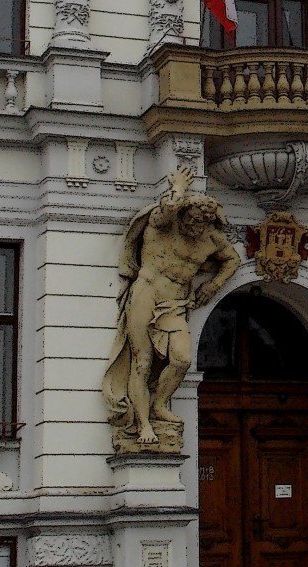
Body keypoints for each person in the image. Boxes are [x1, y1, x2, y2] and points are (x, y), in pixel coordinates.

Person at [102, 165, 240, 452]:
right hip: (146, 293)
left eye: (203, 223)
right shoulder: (163, 223)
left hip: (175, 303)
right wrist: (178, 187)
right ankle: (144, 425)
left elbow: (233, 260)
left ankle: (160, 403)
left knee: (181, 360)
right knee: (143, 361)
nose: (196, 228)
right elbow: (167, 207)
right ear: (183, 214)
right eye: (192, 221)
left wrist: (213, 285)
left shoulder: (210, 238)